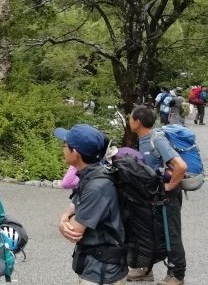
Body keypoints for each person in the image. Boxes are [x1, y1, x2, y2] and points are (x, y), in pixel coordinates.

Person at [55, 124, 128, 285]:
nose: (63, 149)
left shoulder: (97, 186)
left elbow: (74, 232)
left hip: (103, 271)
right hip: (98, 265)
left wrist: (62, 224)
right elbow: (74, 203)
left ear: (76, 153)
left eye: (65, 145)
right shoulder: (93, 173)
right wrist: (64, 216)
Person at [126, 106, 188, 285]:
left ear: (137, 121)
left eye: (131, 117)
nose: (129, 120)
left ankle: (177, 274)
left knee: (171, 233)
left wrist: (169, 186)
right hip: (154, 194)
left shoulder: (156, 138)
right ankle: (145, 268)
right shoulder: (143, 139)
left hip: (166, 195)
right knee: (149, 231)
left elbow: (181, 166)